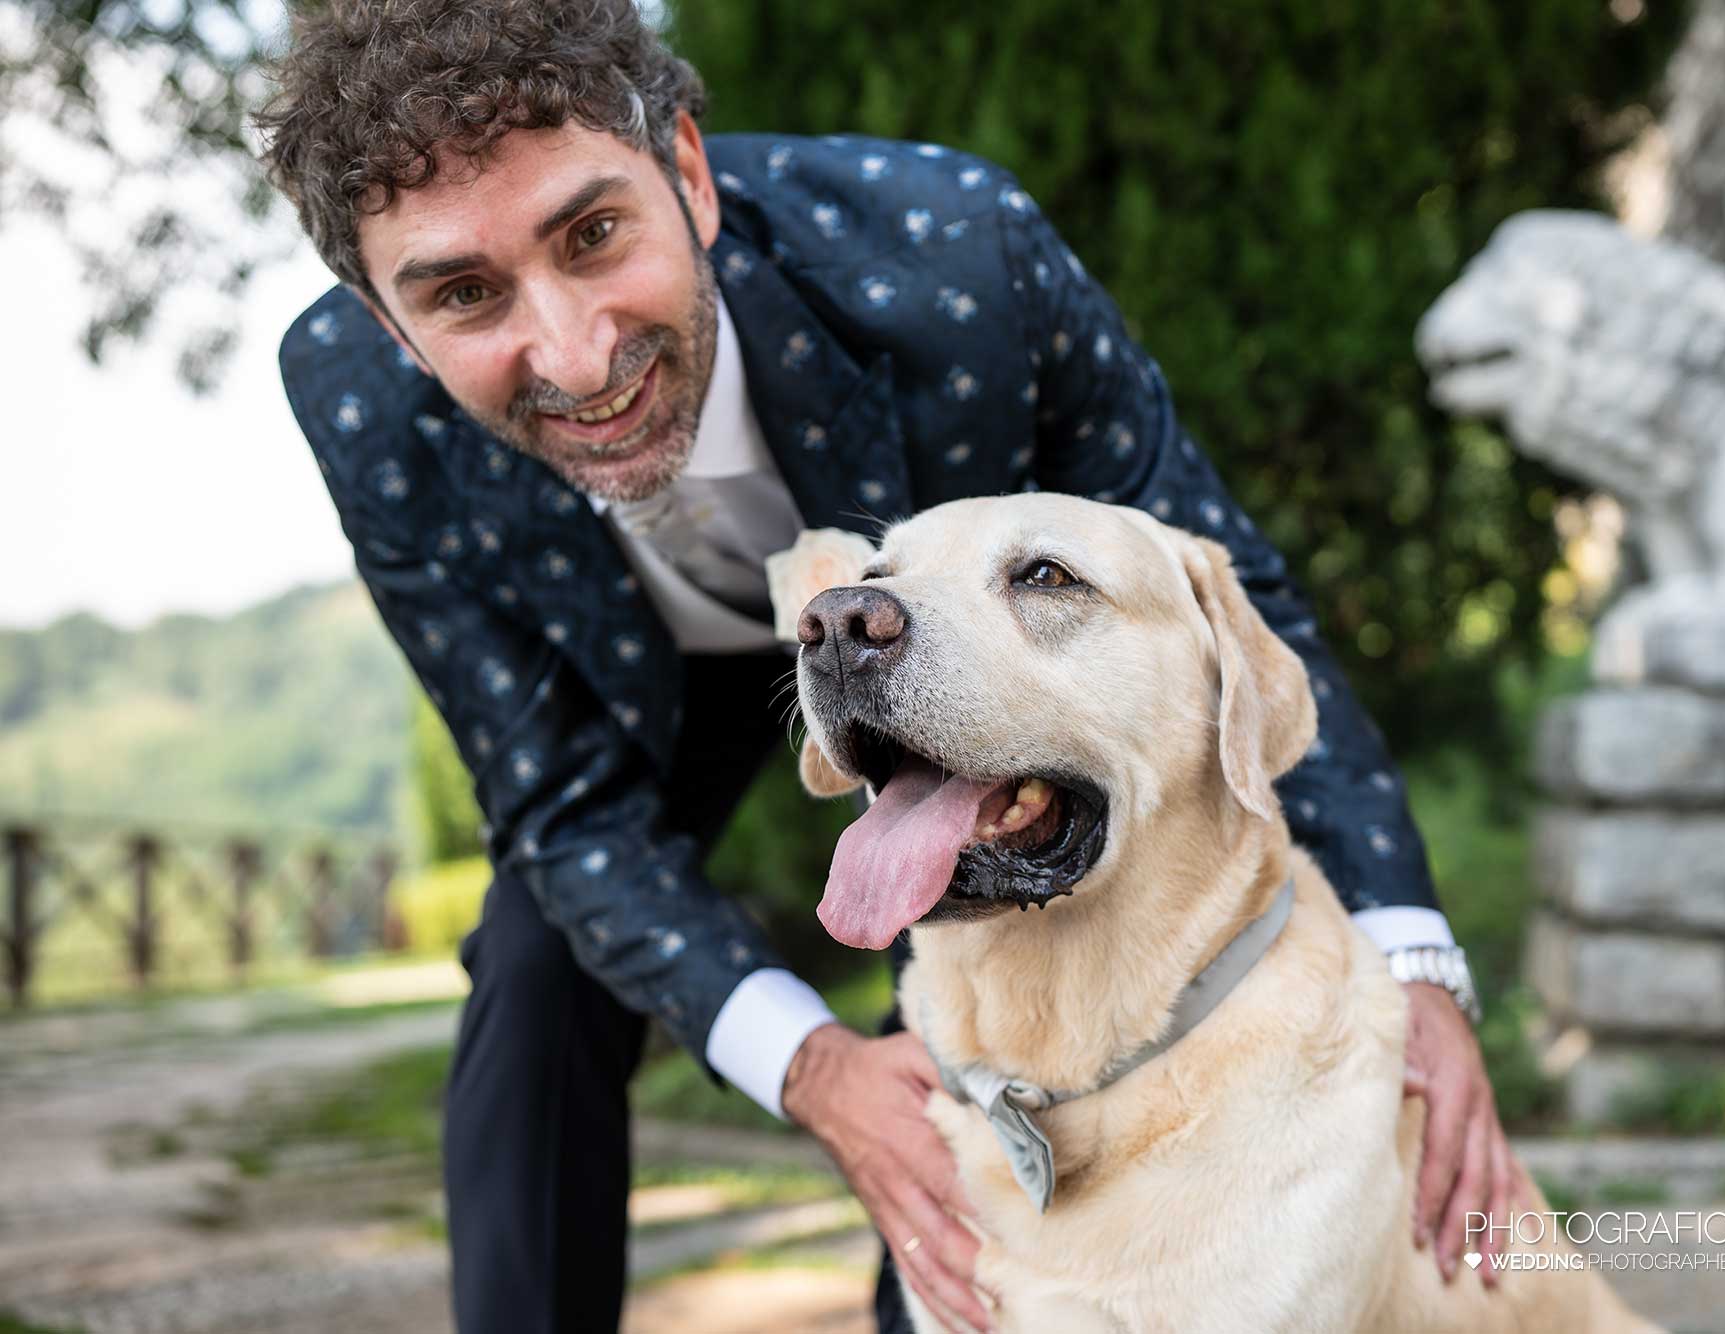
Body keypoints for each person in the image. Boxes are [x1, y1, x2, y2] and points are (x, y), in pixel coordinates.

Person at [258, 3, 1514, 1330]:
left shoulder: (957, 254)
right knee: (531, 957)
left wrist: (1411, 962)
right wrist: (816, 1069)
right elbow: (564, 807)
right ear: (390, 329)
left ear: (687, 172)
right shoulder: (356, 401)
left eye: (593, 234)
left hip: (948, 653)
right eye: (464, 294)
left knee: (985, 914)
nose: (574, 354)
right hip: (646, 695)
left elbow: (1222, 599)